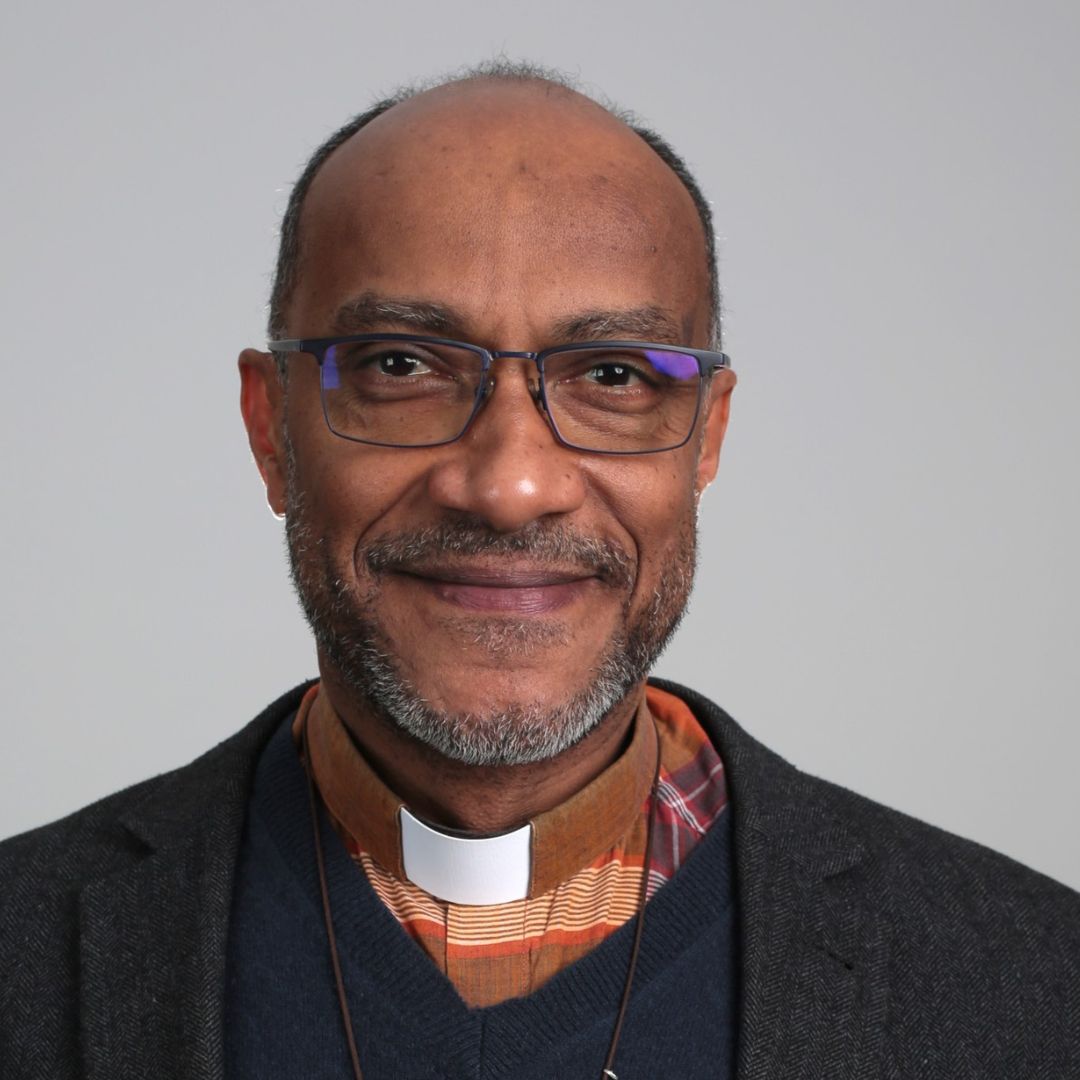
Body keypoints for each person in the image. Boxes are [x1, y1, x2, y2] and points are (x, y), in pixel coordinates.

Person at [1, 61, 1078, 1080]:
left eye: (612, 374)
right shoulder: (23, 945)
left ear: (706, 435)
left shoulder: (1037, 985)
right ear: (271, 427)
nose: (510, 485)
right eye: (401, 366)